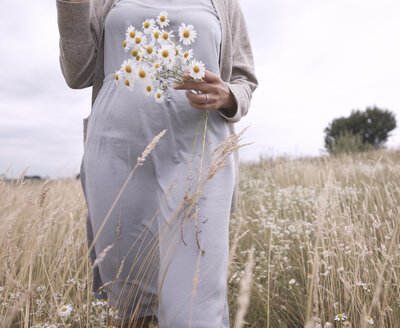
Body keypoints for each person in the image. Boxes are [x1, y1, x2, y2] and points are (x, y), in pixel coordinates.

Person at [55, 0, 258, 327]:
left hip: (199, 153)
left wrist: (229, 95)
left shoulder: (223, 3)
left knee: (194, 310)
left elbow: (244, 79)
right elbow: (77, 73)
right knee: (130, 306)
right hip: (117, 153)